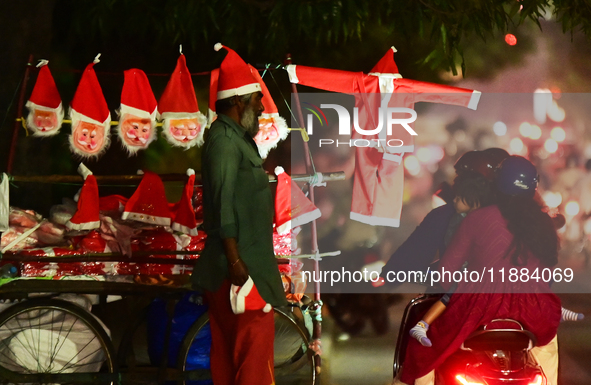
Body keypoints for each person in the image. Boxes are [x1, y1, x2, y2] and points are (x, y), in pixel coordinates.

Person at [395, 156, 562, 385]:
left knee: (423, 348)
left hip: (478, 307)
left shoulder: (477, 218)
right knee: (548, 349)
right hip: (535, 309)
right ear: (533, 186)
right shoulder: (544, 223)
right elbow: (548, 270)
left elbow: (446, 274)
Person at [191, 44, 286, 385]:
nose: (261, 107)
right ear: (238, 102)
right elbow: (223, 202)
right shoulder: (224, 142)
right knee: (253, 359)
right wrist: (235, 263)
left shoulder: (237, 139)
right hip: (240, 268)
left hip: (246, 262)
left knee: (235, 361)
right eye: (256, 99)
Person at [408, 171, 493, 347]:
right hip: (467, 272)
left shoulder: (462, 222)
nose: (454, 201)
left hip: (466, 273)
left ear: (473, 202)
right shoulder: (477, 220)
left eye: (459, 198)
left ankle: (422, 324)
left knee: (450, 294)